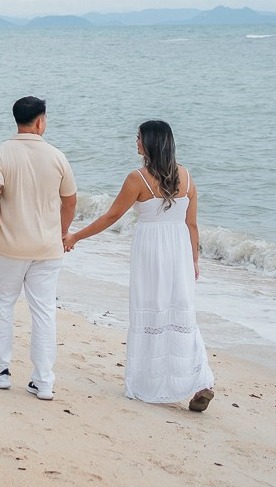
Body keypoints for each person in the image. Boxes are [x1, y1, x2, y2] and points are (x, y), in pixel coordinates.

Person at [65, 118, 215, 411]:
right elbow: (192, 224)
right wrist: (194, 260)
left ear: (149, 143)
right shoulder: (186, 176)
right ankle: (200, 381)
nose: (135, 142)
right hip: (180, 252)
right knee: (182, 314)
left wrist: (76, 237)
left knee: (152, 311)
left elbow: (111, 217)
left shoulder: (138, 178)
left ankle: (151, 382)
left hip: (151, 252)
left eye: (138, 138)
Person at [0, 95, 78, 400]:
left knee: (2, 304)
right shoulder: (58, 156)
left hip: (9, 246)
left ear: (17, 120)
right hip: (47, 248)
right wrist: (62, 232)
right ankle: (44, 382)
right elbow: (70, 200)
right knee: (44, 311)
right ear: (41, 122)